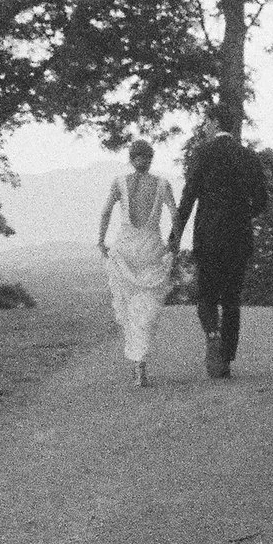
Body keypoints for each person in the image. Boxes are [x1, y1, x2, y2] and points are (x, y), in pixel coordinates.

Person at [171, 115, 269, 379]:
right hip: (238, 236)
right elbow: (262, 200)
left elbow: (188, 197)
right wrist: (241, 213)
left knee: (207, 294)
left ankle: (212, 334)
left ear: (214, 124)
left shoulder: (202, 153)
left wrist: (174, 236)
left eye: (207, 122)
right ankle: (225, 358)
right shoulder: (247, 156)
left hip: (209, 235)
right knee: (232, 300)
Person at [97, 139, 177, 387]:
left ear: (132, 159)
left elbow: (106, 212)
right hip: (149, 249)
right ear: (147, 158)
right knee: (145, 309)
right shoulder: (162, 184)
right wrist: (174, 244)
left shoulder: (120, 182)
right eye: (142, 157)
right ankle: (139, 363)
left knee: (132, 308)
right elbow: (176, 216)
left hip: (128, 250)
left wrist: (101, 240)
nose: (142, 160)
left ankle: (138, 364)